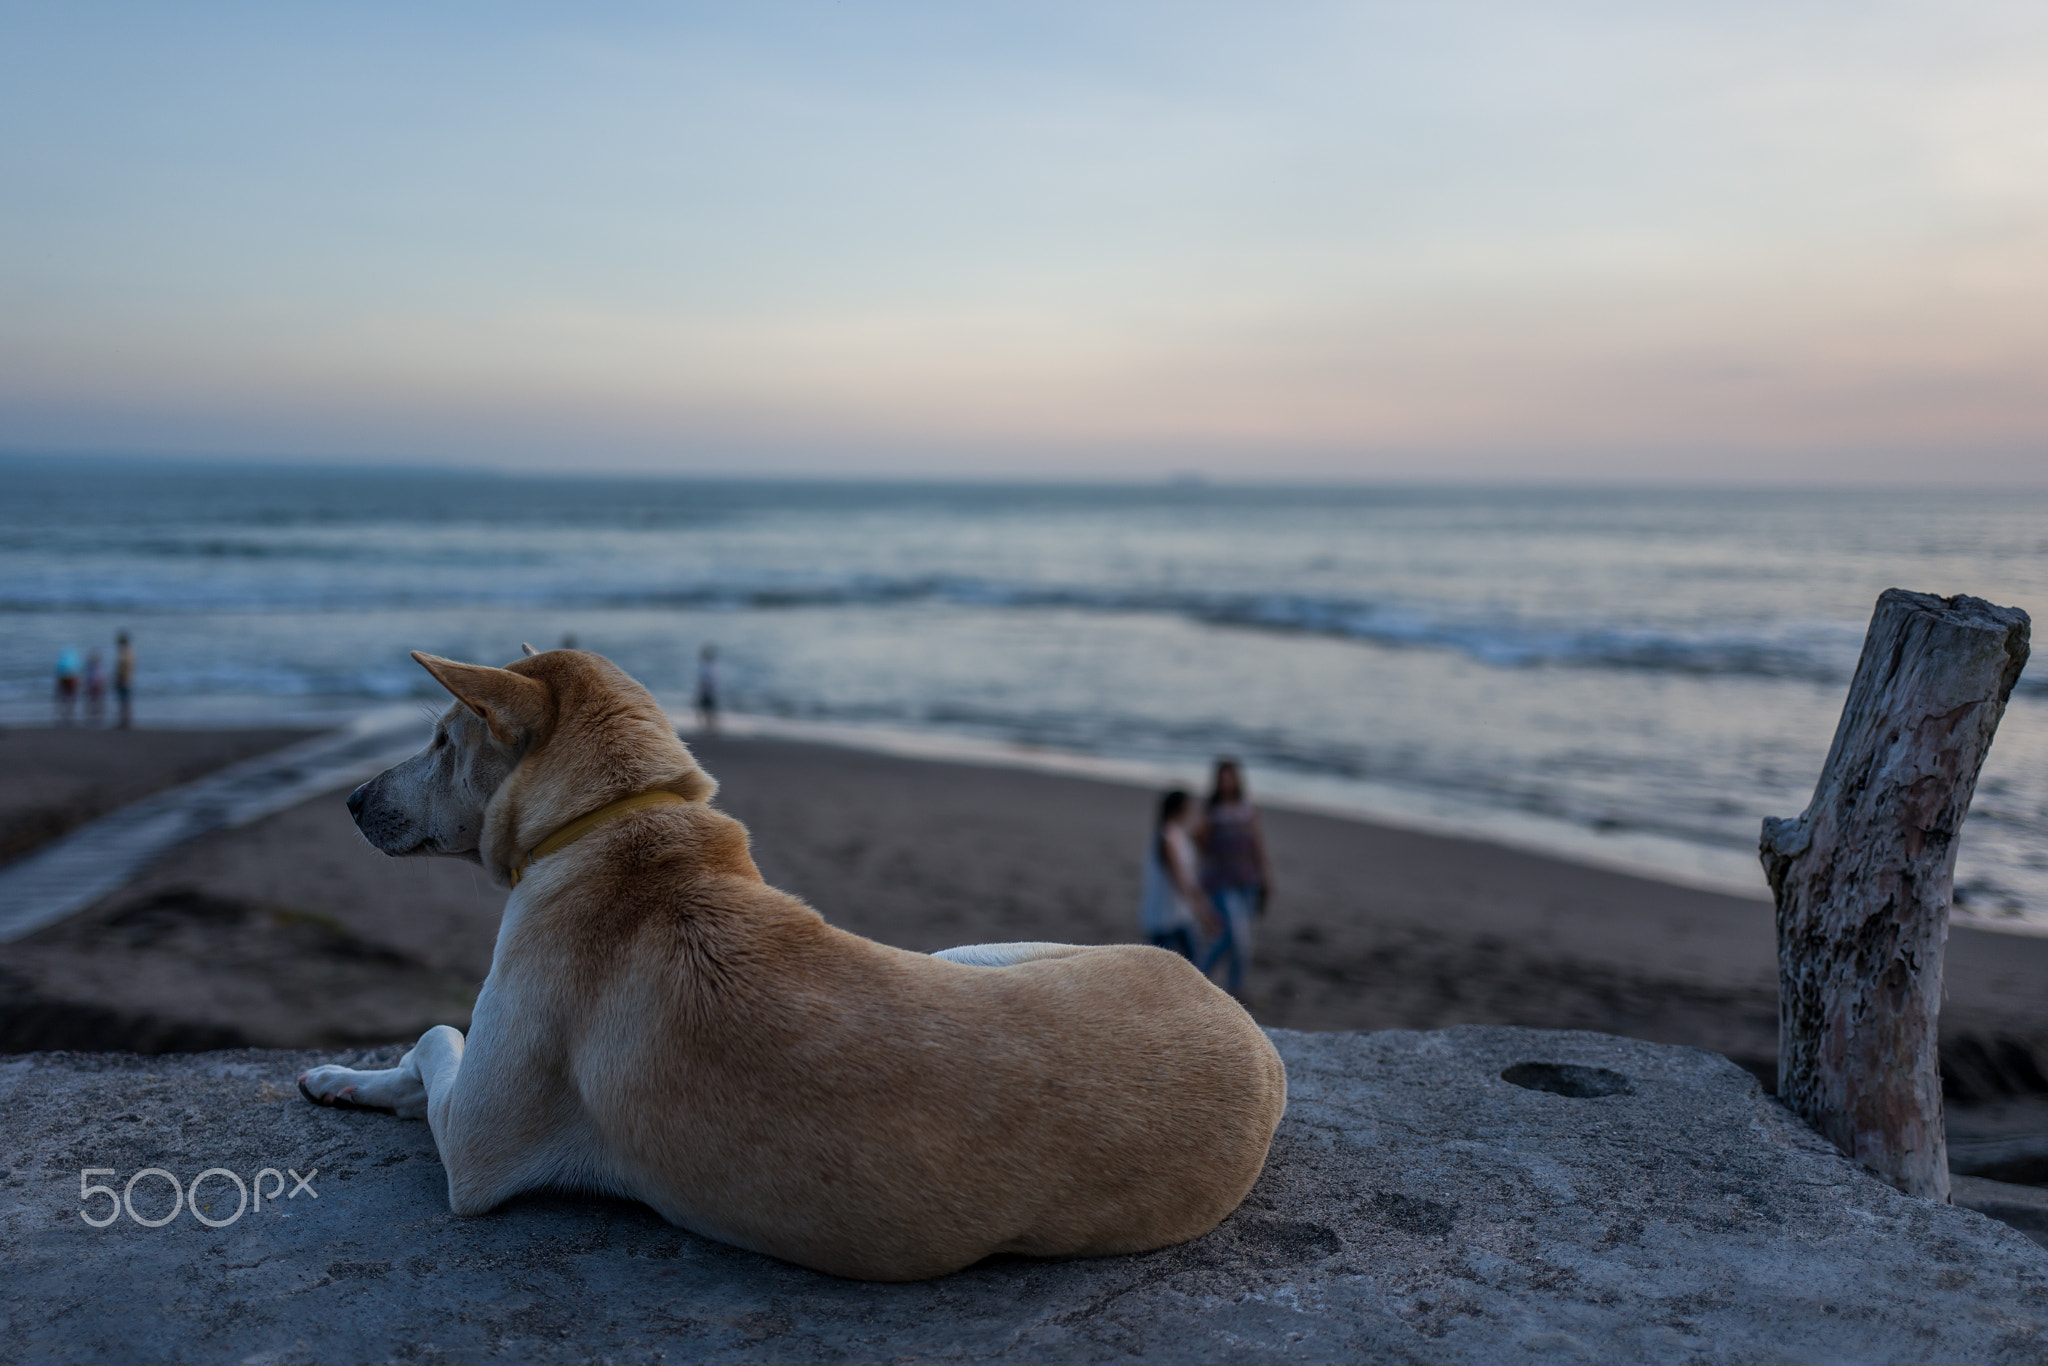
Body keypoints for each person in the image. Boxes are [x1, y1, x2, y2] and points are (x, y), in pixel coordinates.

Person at [1197, 758, 1272, 1001]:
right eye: (1222, 777)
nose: (1225, 781)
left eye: (1229, 776)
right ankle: (1199, 976)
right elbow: (1200, 842)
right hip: (1221, 881)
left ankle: (1235, 985)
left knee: (1245, 937)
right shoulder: (1212, 810)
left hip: (1246, 879)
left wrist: (1265, 874)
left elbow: (1256, 844)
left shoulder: (1248, 809)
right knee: (1231, 933)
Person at [1138, 789, 1213, 961]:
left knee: (1193, 962)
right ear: (1182, 808)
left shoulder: (1179, 834)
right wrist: (1202, 910)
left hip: (1180, 915)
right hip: (1162, 916)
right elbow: (1180, 878)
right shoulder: (1166, 837)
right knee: (1163, 969)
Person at [53, 646, 82, 724]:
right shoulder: (74, 657)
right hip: (72, 677)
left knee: (64, 696)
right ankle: (70, 711)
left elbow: (58, 668)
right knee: (71, 695)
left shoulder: (63, 658)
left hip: (63, 677)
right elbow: (79, 667)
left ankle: (64, 712)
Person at [696, 643, 720, 733]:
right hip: (709, 691)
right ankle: (710, 726)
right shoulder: (712, 665)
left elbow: (705, 680)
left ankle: (708, 726)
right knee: (708, 709)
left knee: (706, 709)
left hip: (707, 691)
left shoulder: (706, 666)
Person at [114, 631, 135, 729]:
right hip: (127, 679)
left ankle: (125, 721)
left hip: (124, 680)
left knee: (124, 701)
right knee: (124, 701)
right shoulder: (129, 652)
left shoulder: (126, 653)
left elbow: (124, 668)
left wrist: (121, 679)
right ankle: (125, 721)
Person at [83, 650, 107, 725]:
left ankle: (92, 715)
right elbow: (102, 677)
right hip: (97, 685)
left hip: (93, 685)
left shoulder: (90, 666)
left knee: (92, 701)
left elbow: (88, 677)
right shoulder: (99, 666)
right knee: (97, 701)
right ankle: (97, 716)